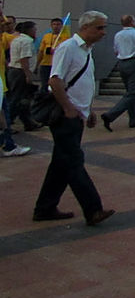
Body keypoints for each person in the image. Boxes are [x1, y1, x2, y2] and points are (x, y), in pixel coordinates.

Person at [34, 11, 115, 226]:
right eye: (99, 28)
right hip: (64, 115)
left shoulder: (87, 51)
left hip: (76, 114)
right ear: (86, 27)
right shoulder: (68, 48)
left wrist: (88, 110)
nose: (103, 32)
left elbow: (82, 82)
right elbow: (55, 80)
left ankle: (45, 207)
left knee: (61, 163)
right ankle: (93, 209)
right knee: (73, 161)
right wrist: (69, 108)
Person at [101, 15, 135, 131]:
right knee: (133, 93)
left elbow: (116, 50)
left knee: (130, 92)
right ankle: (110, 115)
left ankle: (133, 119)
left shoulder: (118, 35)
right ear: (132, 22)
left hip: (122, 62)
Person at [7, 21, 42, 131]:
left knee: (23, 99)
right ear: (29, 30)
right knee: (17, 99)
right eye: (34, 30)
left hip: (14, 71)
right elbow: (24, 58)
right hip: (20, 72)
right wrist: (28, 74)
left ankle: (28, 122)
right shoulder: (26, 41)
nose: (35, 32)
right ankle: (7, 123)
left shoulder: (16, 39)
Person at [36, 17, 71, 95]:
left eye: (58, 24)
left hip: (58, 65)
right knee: (44, 85)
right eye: (54, 24)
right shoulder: (46, 36)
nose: (56, 26)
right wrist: (37, 64)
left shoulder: (66, 37)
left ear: (62, 26)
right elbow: (41, 51)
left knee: (56, 85)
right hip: (46, 64)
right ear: (51, 26)